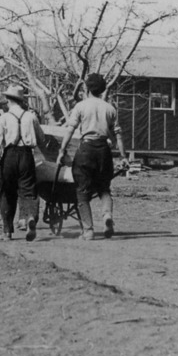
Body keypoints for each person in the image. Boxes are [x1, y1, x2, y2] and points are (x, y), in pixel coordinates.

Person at [57, 73, 126, 241]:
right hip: (103, 151)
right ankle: (106, 215)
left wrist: (62, 150)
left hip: (86, 149)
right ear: (102, 89)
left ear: (86, 88)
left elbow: (70, 129)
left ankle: (88, 231)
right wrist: (123, 156)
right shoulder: (110, 108)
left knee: (81, 191)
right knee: (104, 189)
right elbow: (118, 135)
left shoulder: (81, 106)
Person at [0, 85, 44, 242]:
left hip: (9, 156)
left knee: (7, 192)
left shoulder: (3, 118)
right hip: (26, 156)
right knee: (29, 190)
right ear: (21, 100)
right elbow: (41, 138)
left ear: (8, 100)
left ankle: (7, 232)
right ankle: (30, 217)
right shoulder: (31, 117)